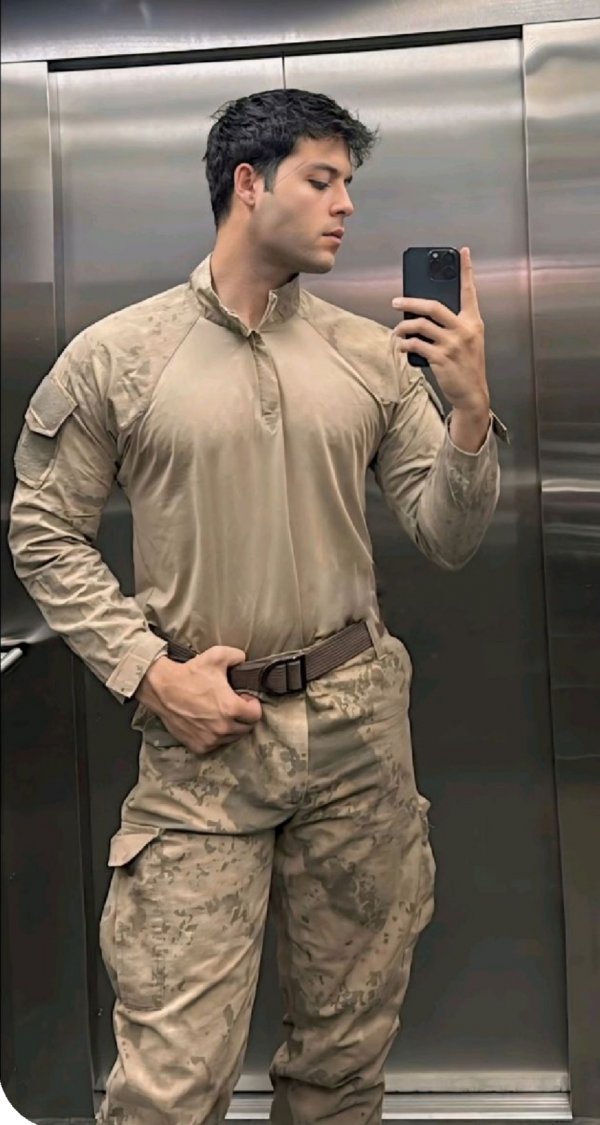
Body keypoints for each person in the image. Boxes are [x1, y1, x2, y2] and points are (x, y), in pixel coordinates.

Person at [9, 88, 506, 1124]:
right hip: (203, 740)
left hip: (359, 739)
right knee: (170, 1085)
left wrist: (468, 414)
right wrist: (149, 673)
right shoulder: (119, 356)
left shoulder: (370, 355)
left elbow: (449, 536)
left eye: (348, 184)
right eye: (322, 181)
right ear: (249, 182)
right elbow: (43, 532)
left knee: (342, 1067)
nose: (345, 206)